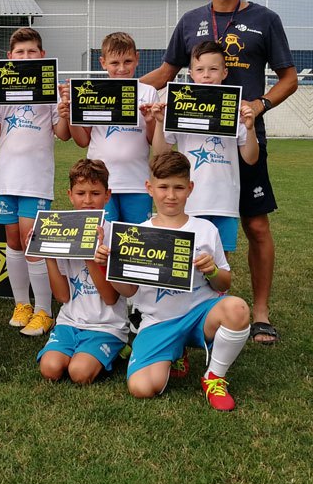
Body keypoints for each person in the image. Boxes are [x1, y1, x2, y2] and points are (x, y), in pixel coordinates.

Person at [141, 0, 297, 345]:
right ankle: (182, 314)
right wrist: (118, 91)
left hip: (243, 136)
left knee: (256, 225)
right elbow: (165, 73)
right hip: (192, 140)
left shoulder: (265, 19)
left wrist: (258, 107)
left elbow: (289, 79)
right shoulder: (190, 21)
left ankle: (259, 313)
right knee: (183, 225)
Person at [99, 151, 251, 410]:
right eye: (163, 187)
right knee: (142, 387)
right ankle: (175, 351)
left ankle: (214, 377)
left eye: (179, 187)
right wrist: (108, 267)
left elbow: (224, 284)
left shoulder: (205, 229)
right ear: (149, 188)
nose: (171, 195)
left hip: (199, 315)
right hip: (159, 321)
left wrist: (212, 271)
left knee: (237, 309)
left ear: (190, 188)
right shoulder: (137, 234)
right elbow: (129, 291)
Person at [0, 27, 71, 337]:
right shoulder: (2, 91)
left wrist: (65, 110)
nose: (25, 56)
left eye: (31, 51)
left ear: (42, 55)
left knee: (32, 239)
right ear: (9, 57)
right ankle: (22, 304)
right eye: (19, 52)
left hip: (35, 178)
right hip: (6, 177)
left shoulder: (49, 90)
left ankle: (44, 310)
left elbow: (63, 134)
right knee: (13, 240)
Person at [148, 40, 259, 255]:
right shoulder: (179, 106)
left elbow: (251, 158)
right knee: (185, 257)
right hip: (189, 200)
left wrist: (250, 128)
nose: (206, 75)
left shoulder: (235, 108)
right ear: (191, 74)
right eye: (200, 70)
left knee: (220, 259)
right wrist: (160, 122)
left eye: (213, 69)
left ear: (224, 73)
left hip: (224, 201)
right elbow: (160, 153)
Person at [37, 159, 128, 385]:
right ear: (70, 195)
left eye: (95, 193)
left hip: (106, 325)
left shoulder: (116, 236)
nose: (87, 200)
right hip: (70, 321)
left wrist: (89, 253)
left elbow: (110, 298)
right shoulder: (63, 230)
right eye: (80, 193)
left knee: (79, 373)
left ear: (107, 195)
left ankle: (117, 348)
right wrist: (47, 253)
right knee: (50, 368)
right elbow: (62, 296)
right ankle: (77, 348)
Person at [67, 32, 157, 224]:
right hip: (98, 184)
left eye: (128, 61)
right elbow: (82, 140)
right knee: (102, 237)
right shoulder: (92, 91)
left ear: (137, 59)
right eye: (115, 63)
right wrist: (71, 116)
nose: (122, 68)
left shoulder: (148, 92)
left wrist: (150, 121)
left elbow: (152, 140)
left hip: (137, 182)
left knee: (135, 237)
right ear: (103, 62)